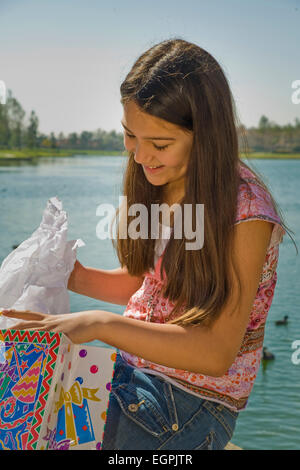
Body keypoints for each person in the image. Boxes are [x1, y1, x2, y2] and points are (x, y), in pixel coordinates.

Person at [2, 38, 295, 450]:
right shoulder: (166, 181)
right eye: (129, 136)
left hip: (186, 404)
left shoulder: (245, 214)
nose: (140, 157)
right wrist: (68, 274)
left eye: (159, 144)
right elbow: (147, 286)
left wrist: (99, 323)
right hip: (136, 375)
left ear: (207, 136)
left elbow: (215, 353)